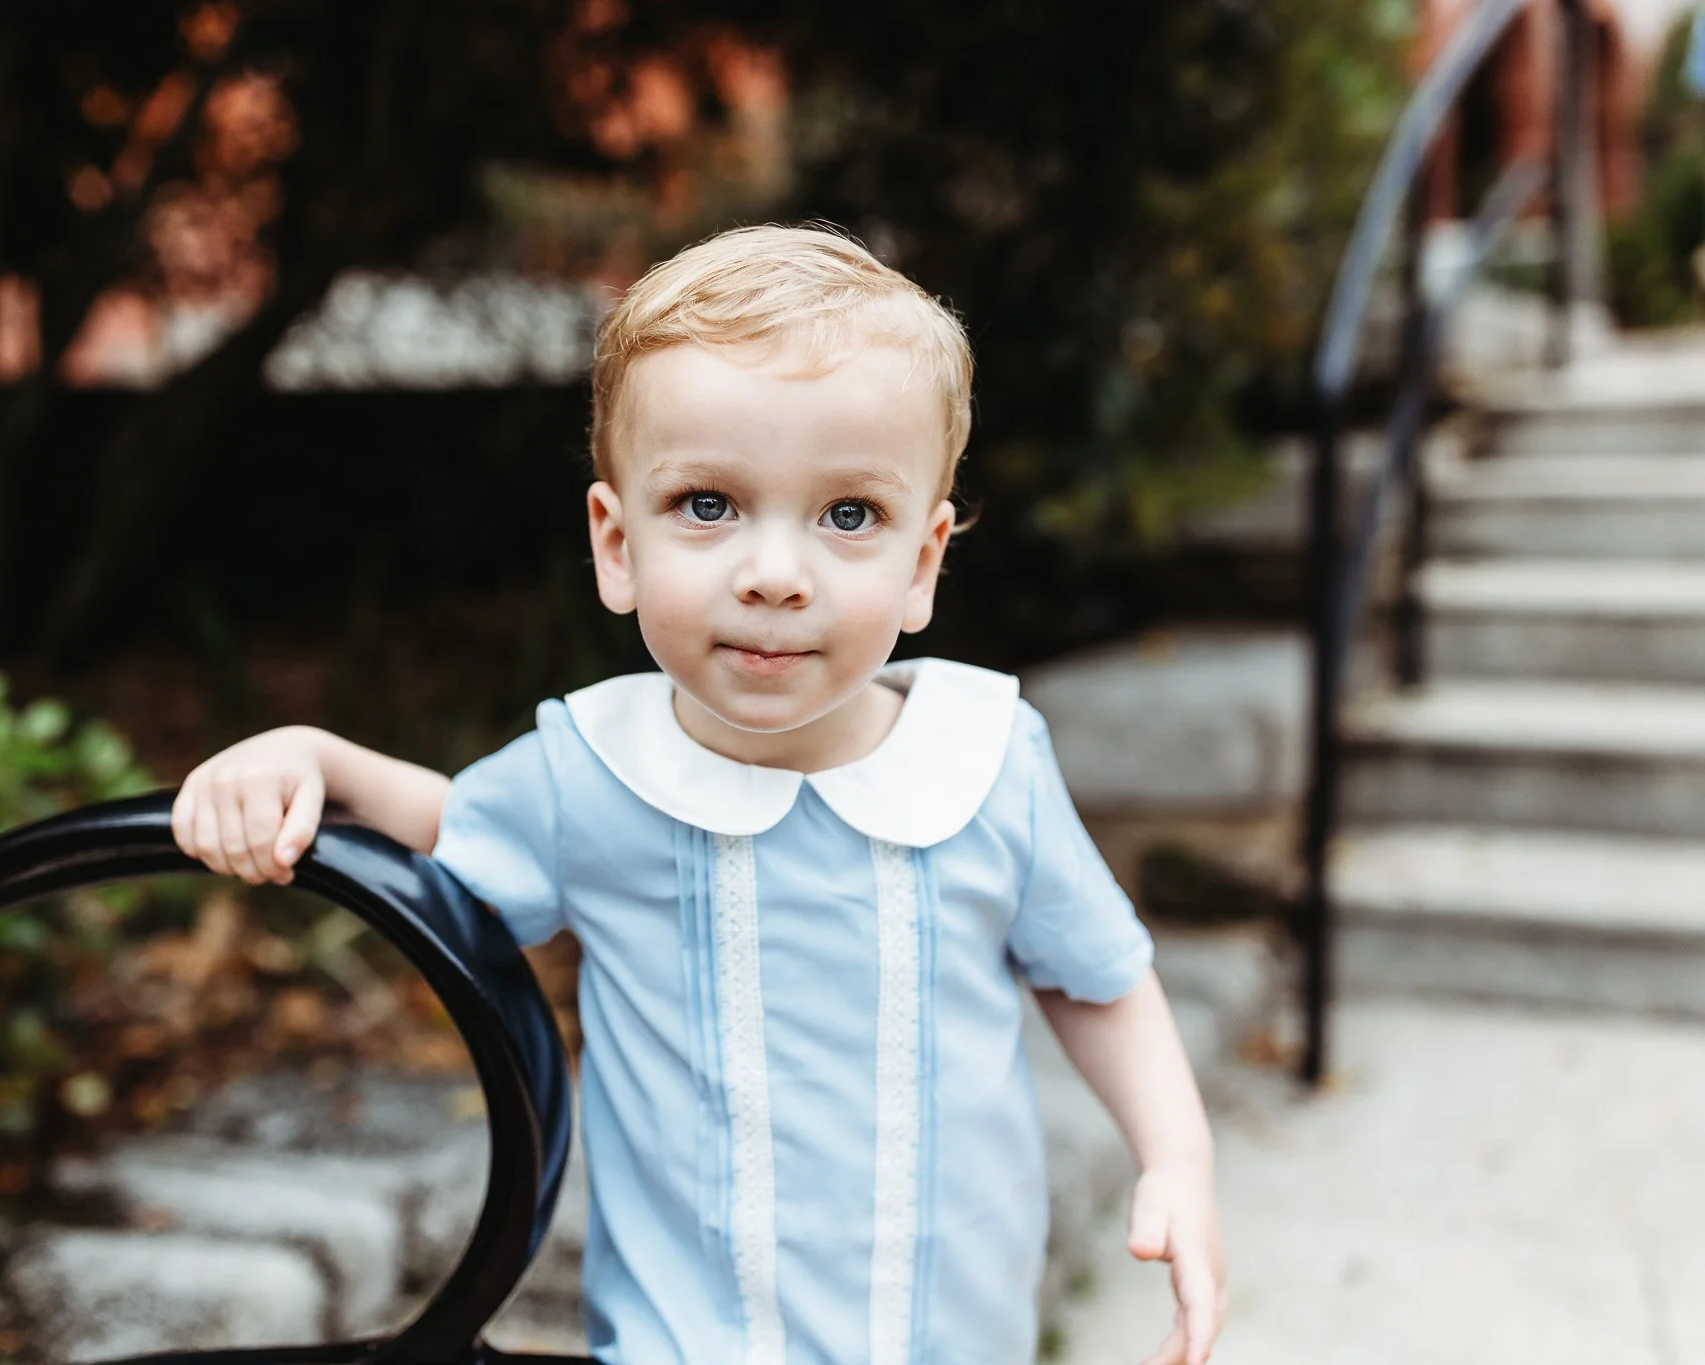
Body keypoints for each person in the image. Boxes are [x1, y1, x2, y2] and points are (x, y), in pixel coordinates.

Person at [172, 225, 1226, 1365]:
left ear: (921, 565)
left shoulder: (984, 764)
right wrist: (317, 762)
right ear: (615, 544)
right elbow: (444, 836)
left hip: (953, 1333)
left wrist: (1176, 1160)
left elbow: (1099, 977)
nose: (774, 574)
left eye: (848, 516)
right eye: (709, 505)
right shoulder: (593, 773)